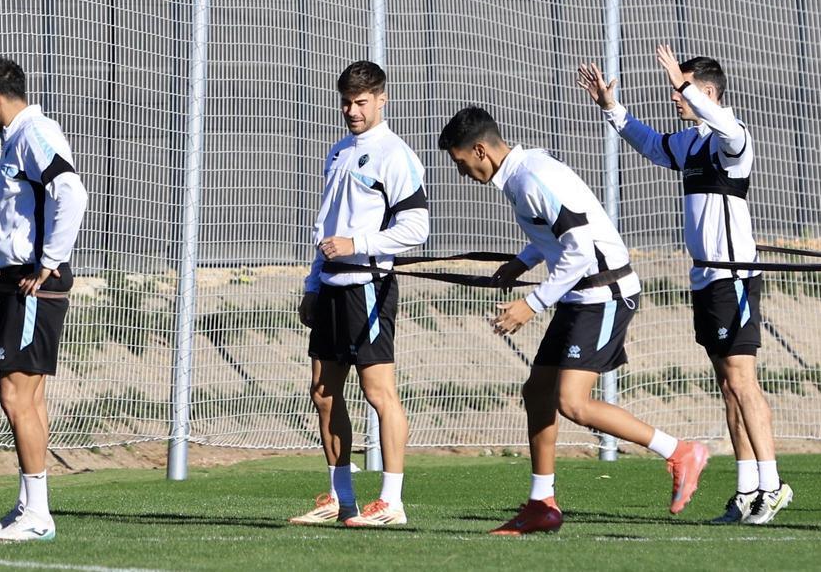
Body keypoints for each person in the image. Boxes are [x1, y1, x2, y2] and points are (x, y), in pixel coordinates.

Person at [438, 106, 709, 536]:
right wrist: (521, 261)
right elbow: (556, 233)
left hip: (604, 292)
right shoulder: (521, 172)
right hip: (580, 293)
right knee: (538, 392)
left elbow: (580, 248)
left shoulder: (529, 178)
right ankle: (541, 504)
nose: (462, 172)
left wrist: (532, 302)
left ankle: (680, 451)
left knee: (573, 402)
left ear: (479, 150)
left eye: (460, 163)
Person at [577, 45, 792, 525]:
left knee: (742, 380)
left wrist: (682, 80)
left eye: (685, 91)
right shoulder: (693, 143)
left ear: (706, 92)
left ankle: (773, 484)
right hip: (705, 278)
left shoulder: (730, 139)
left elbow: (726, 125)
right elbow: (653, 144)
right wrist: (611, 108)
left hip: (733, 274)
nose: (676, 98)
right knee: (727, 385)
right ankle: (747, 490)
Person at [289, 60, 428, 528]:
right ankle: (340, 498)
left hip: (367, 286)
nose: (352, 110)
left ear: (382, 99)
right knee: (324, 393)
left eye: (361, 102)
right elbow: (326, 227)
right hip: (330, 286)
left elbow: (417, 227)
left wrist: (357, 245)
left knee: (378, 392)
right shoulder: (339, 151)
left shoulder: (395, 154)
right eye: (346, 102)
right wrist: (313, 283)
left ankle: (392, 502)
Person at [0, 57, 87, 542]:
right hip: (18, 280)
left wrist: (49, 261)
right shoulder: (17, 137)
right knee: (29, 396)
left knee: (15, 395)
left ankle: (39, 516)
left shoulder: (34, 133)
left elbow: (71, 192)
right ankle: (28, 507)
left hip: (33, 282)